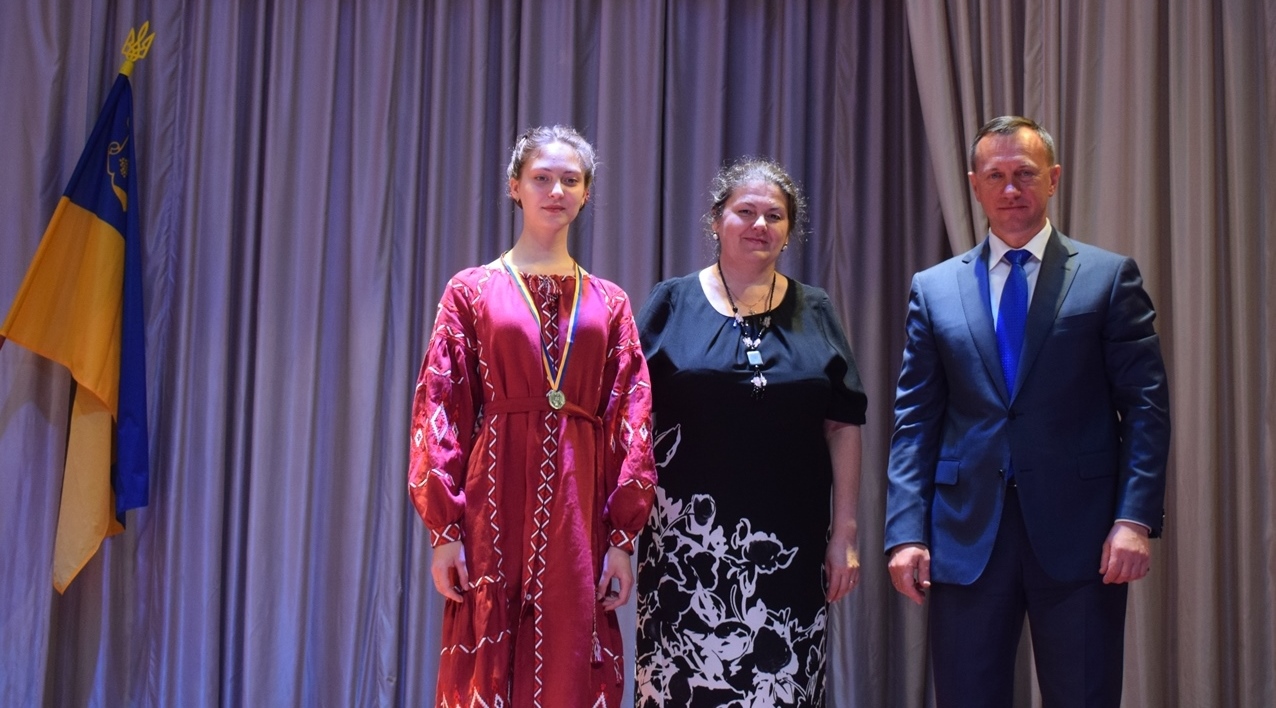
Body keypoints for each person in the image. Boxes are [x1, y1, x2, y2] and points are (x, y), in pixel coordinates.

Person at [884, 116, 1171, 707]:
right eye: (995, 176)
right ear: (975, 185)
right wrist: (905, 532)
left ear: (1054, 179)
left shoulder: (1108, 278)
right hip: (965, 537)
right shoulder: (934, 289)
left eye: (1025, 174)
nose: (1011, 188)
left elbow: (1145, 407)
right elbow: (915, 421)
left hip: (1082, 536)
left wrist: (1134, 519)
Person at [408, 125, 657, 708]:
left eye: (570, 180)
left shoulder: (610, 301)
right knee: (489, 653)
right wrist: (444, 531)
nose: (556, 191)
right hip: (493, 498)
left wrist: (622, 539)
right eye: (541, 178)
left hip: (578, 504)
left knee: (572, 652)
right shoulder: (470, 290)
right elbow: (439, 407)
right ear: (514, 186)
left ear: (587, 193)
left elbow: (631, 416)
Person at [634, 157, 867, 707]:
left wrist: (845, 535)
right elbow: (630, 418)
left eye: (774, 215)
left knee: (779, 687)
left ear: (789, 231)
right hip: (687, 553)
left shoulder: (816, 308)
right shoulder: (672, 302)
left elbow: (843, 424)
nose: (760, 224)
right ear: (717, 220)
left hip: (789, 551)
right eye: (745, 211)